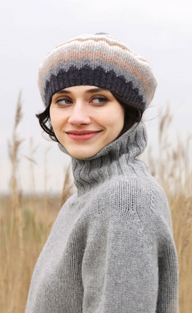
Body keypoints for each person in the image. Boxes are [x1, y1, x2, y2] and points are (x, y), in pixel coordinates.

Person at [25, 33, 179, 313]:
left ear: (128, 110)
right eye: (63, 100)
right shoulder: (89, 196)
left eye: (98, 99)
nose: (77, 117)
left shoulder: (125, 198)